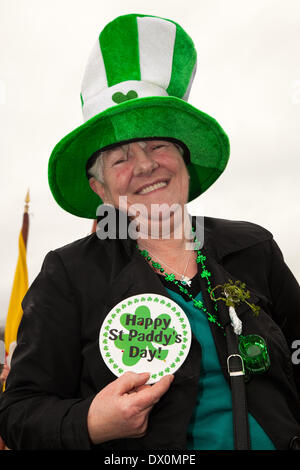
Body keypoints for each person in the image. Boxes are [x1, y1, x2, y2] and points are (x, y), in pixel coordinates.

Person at [0, 13, 300, 451]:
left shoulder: (254, 247)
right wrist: (90, 421)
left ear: (184, 162)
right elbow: (17, 412)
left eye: (158, 145)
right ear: (99, 188)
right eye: (119, 158)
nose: (144, 165)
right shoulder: (68, 273)